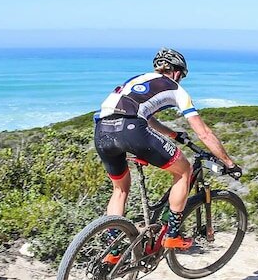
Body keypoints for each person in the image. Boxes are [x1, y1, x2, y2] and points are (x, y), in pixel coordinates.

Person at [94, 48, 240, 252]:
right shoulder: (177, 90)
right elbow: (204, 133)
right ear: (176, 71)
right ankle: (172, 235)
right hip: (131, 129)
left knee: (120, 189)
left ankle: (113, 251)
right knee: (184, 171)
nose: (181, 80)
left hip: (102, 131)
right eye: (182, 75)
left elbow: (147, 117)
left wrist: (173, 134)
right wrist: (229, 163)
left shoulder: (138, 79)